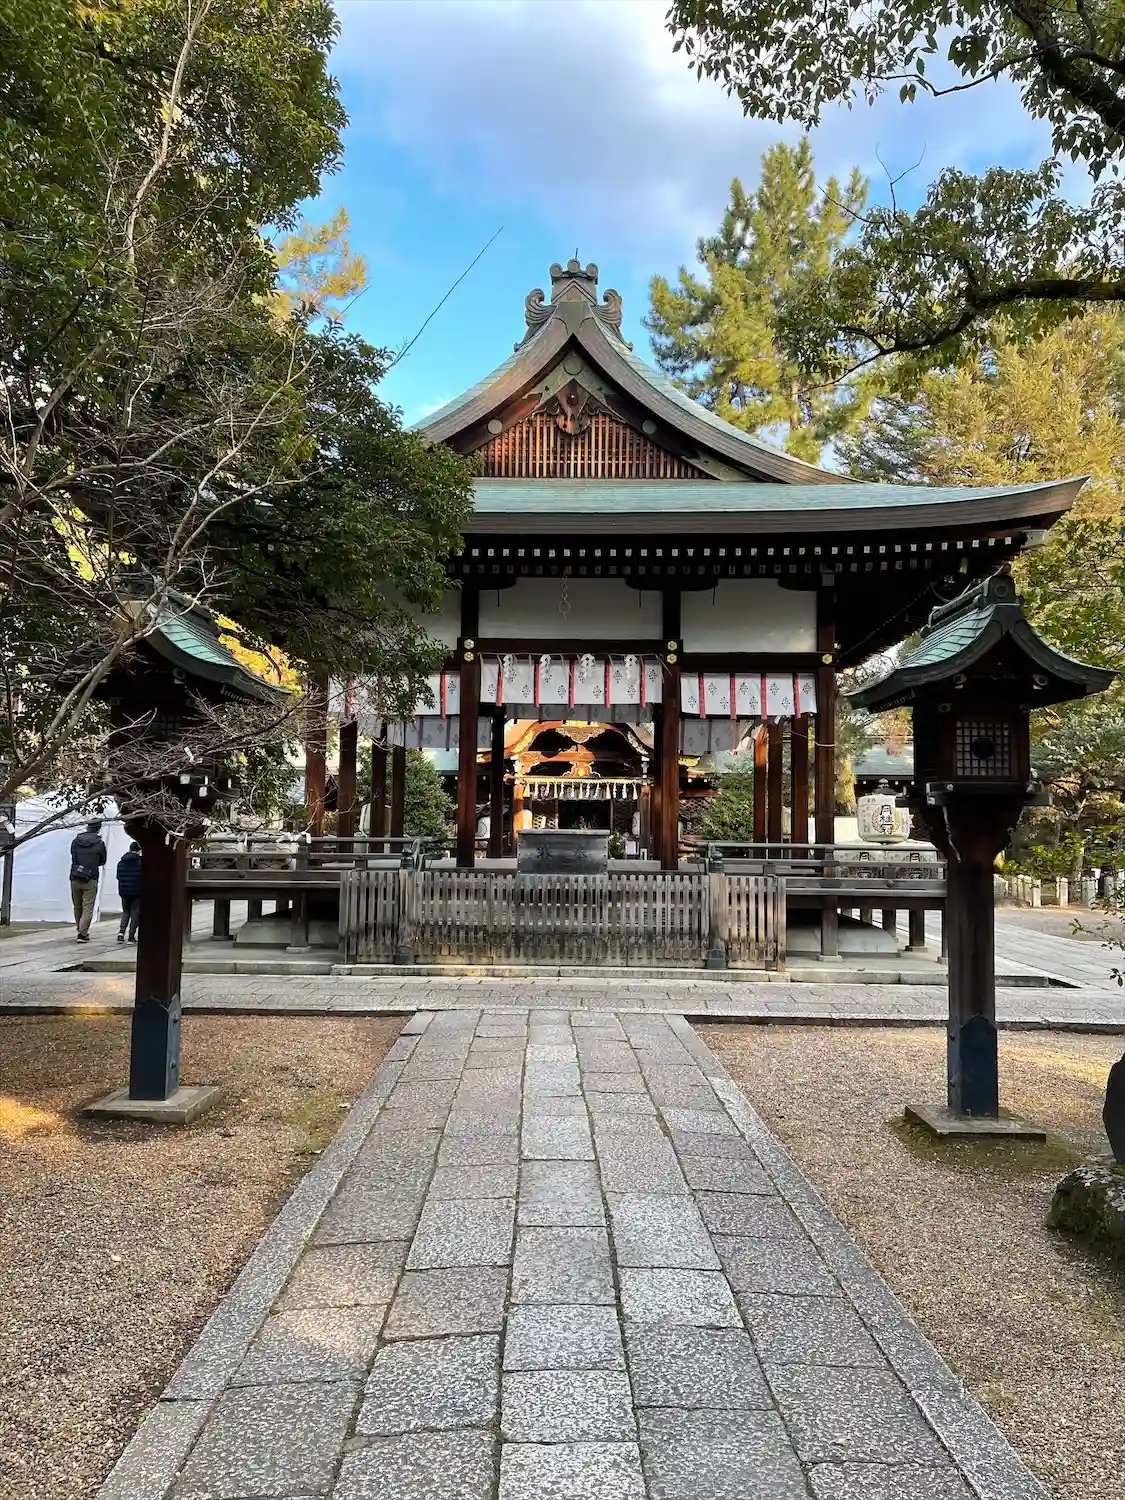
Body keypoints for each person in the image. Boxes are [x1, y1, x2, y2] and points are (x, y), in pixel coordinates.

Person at [69, 820, 107, 942]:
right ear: (98, 828)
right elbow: (103, 861)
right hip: (91, 878)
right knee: (88, 907)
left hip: (75, 876)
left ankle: (80, 929)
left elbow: (73, 856)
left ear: (87, 827)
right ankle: (82, 933)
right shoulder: (100, 843)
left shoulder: (76, 841)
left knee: (77, 906)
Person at [115, 841, 142, 944]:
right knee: (135, 913)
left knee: (126, 912)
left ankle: (121, 933)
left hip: (124, 891)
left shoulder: (121, 862)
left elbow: (118, 876)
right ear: (139, 850)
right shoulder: (140, 862)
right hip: (136, 891)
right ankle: (131, 936)